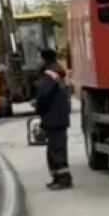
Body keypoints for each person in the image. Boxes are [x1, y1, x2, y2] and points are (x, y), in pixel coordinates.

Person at [34, 47, 72, 190]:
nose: (37, 61)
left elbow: (44, 96)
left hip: (54, 117)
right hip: (58, 116)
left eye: (39, 58)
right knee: (55, 148)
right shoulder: (56, 71)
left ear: (44, 58)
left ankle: (63, 179)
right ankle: (58, 177)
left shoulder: (49, 74)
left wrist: (38, 107)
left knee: (56, 149)